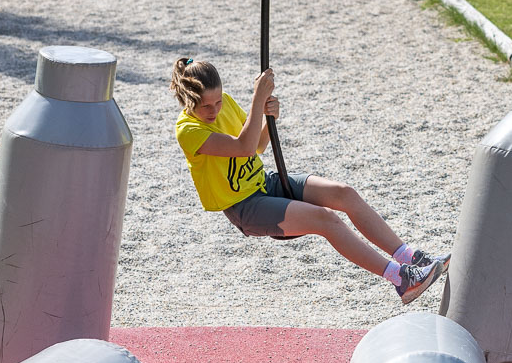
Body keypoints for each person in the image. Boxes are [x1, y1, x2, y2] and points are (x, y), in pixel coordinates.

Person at [170, 57, 448, 302]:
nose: (214, 110)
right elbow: (242, 147)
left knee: (343, 193)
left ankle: (411, 258)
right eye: (204, 105)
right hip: (245, 206)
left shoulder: (226, 103)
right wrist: (257, 101)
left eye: (217, 101)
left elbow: (258, 145)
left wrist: (269, 117)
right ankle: (402, 280)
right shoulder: (188, 130)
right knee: (325, 219)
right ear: (187, 100)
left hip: (264, 182)